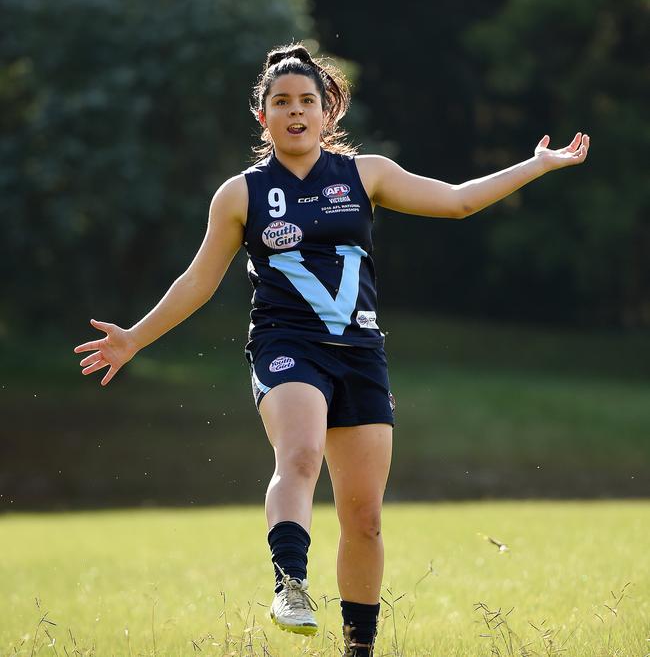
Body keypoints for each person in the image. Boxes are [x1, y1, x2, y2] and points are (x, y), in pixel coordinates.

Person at [74, 43, 590, 656]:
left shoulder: (366, 175)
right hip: (286, 344)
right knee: (299, 455)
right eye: (281, 102)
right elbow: (197, 281)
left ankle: (358, 648)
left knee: (364, 517)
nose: (295, 112)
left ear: (328, 113)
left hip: (360, 354)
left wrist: (537, 165)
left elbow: (458, 201)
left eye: (307, 102)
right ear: (261, 116)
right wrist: (134, 338)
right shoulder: (240, 195)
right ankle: (290, 583)